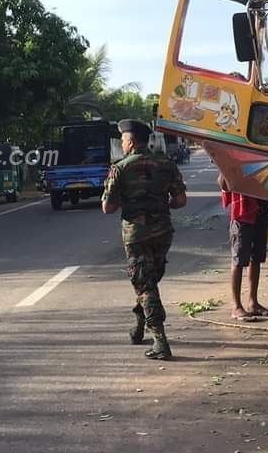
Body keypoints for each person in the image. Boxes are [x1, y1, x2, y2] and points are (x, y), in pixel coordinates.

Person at [101, 119, 187, 360]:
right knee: (149, 282)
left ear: (131, 141)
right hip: (163, 232)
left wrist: (127, 201)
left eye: (123, 140)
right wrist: (160, 205)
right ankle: (139, 326)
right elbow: (180, 201)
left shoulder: (120, 168)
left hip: (136, 235)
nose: (122, 144)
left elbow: (107, 207)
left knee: (145, 285)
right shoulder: (166, 165)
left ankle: (160, 341)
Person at [218, 173, 268, 321]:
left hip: (260, 210)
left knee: (256, 258)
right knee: (239, 260)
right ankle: (237, 307)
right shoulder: (231, 160)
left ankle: (253, 302)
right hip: (242, 214)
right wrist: (225, 170)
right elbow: (223, 184)